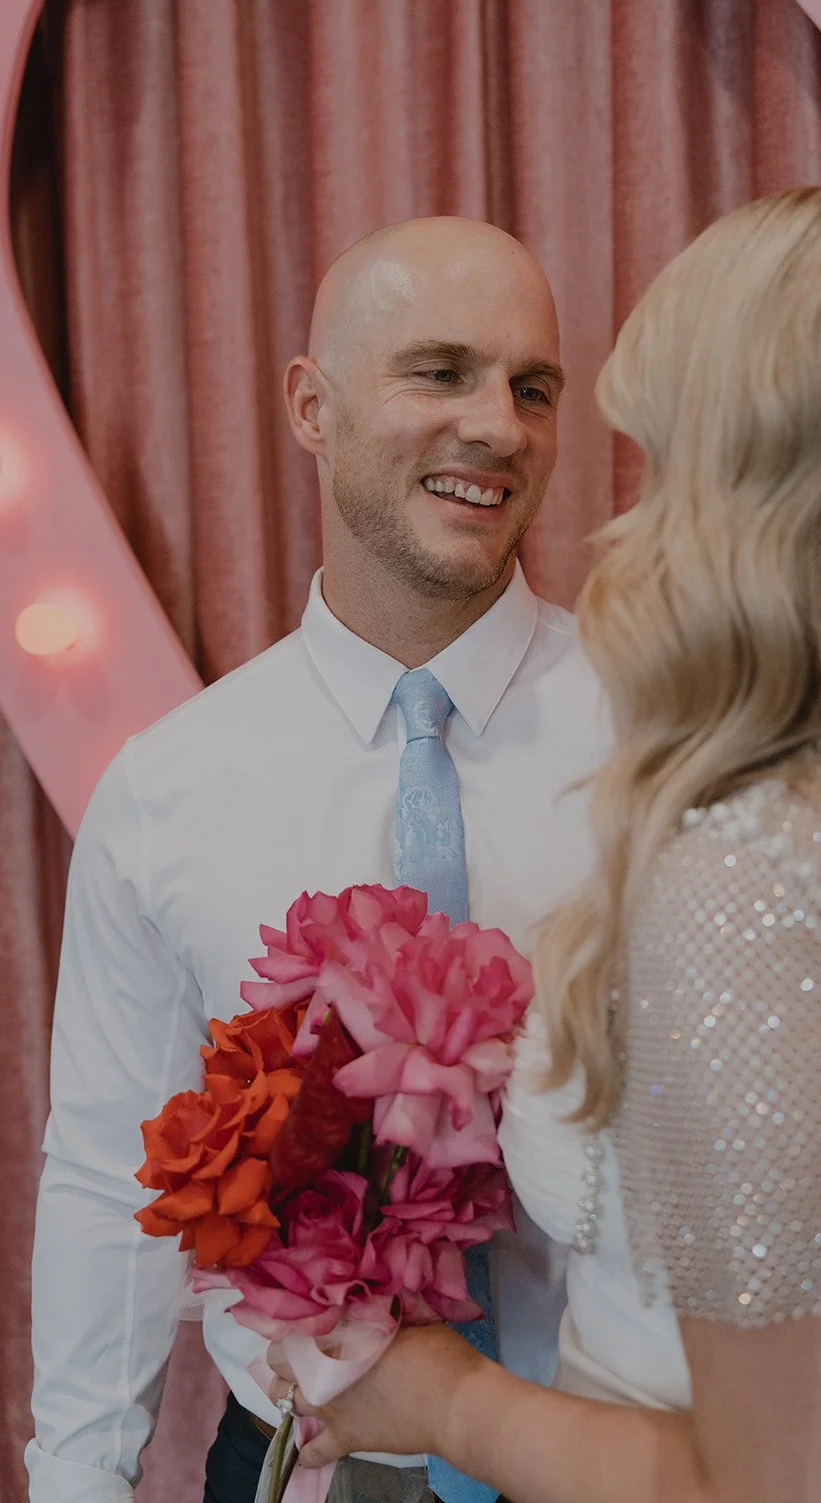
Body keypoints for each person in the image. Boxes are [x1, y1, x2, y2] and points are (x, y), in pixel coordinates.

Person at [270, 182, 821, 1503]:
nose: (625, 518)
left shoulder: (752, 882)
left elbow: (791, 1491)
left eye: (662, 459)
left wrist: (448, 1400)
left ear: (757, 498)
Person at [27, 216, 609, 1503]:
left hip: (617, 1454)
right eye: (439, 372)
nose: (497, 429)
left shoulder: (656, 736)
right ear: (311, 406)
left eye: (532, 388)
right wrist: (77, 1479)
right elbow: (104, 1170)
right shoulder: (169, 789)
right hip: (300, 1468)